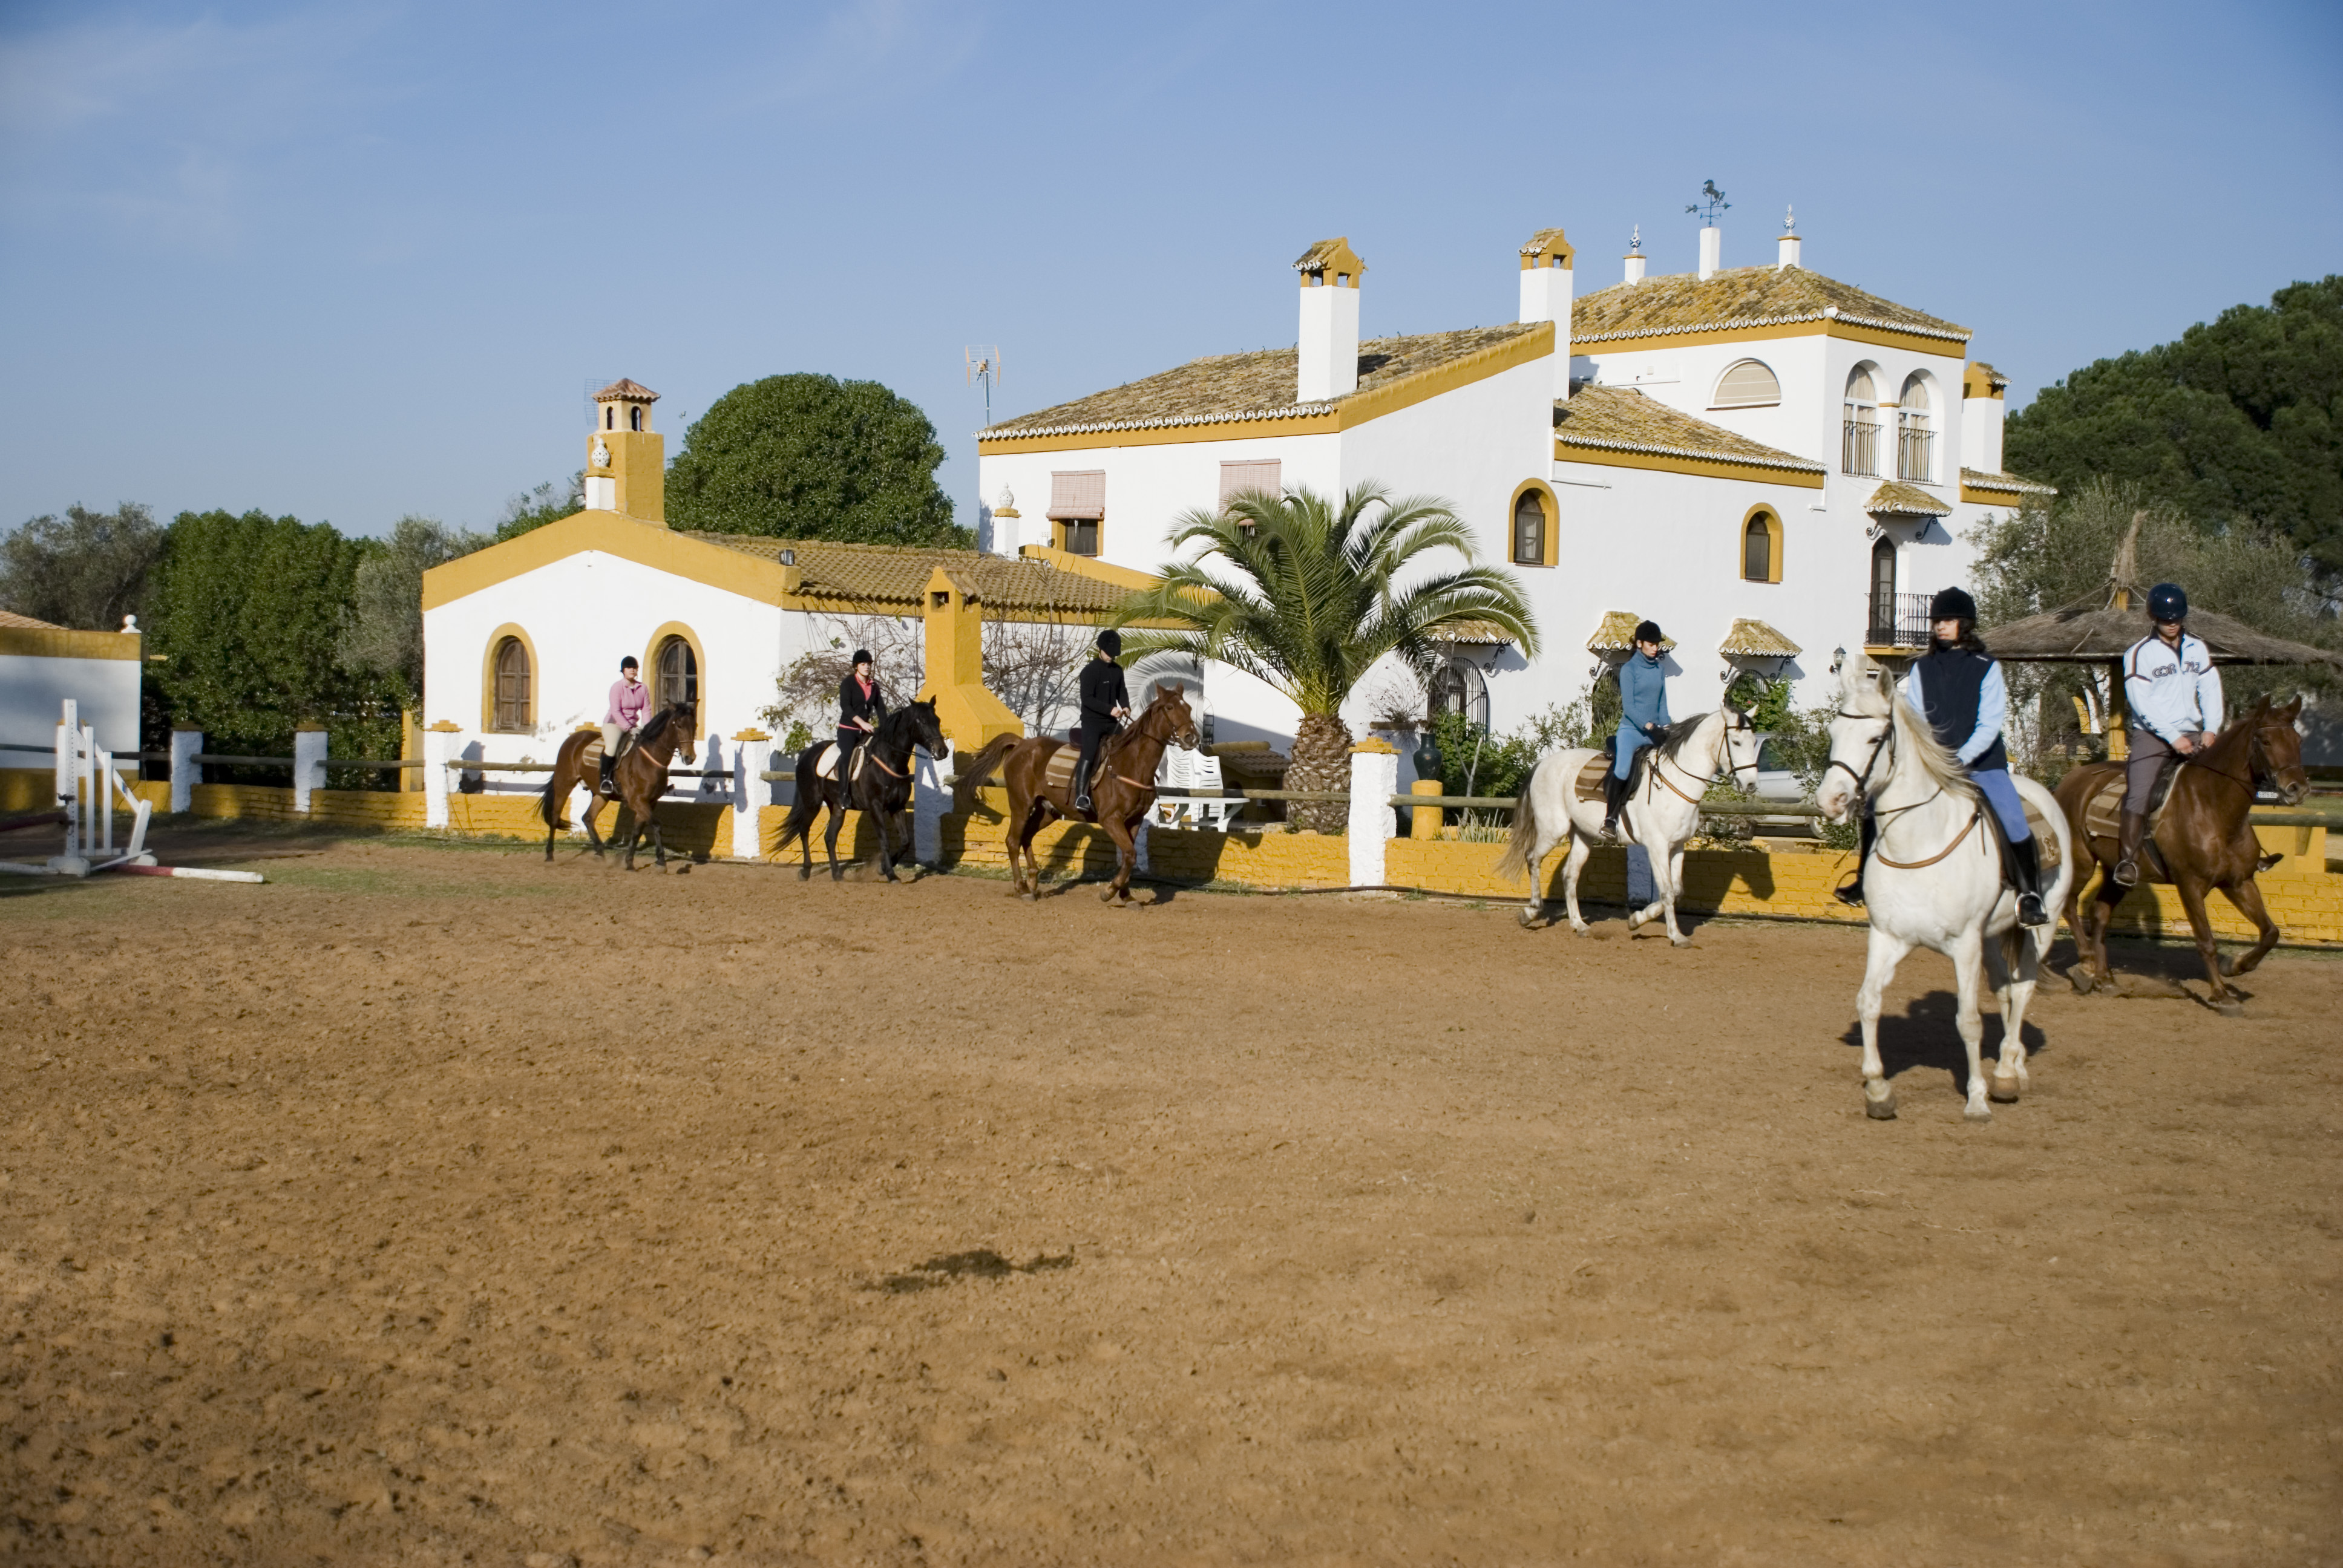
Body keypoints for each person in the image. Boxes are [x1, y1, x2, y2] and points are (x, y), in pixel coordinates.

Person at [2115, 582, 2223, 886]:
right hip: (2153, 735)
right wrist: (2174, 738)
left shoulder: (2197, 648)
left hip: (2195, 730)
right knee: (2139, 793)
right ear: (2153, 617)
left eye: (2176, 617)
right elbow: (2141, 702)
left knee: (2229, 781)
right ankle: (2128, 861)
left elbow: (2210, 688)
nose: (2172, 623)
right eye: (2165, 618)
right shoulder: (2139, 653)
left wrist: (2212, 728)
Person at [1603, 621, 1671, 842]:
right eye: (1651, 644)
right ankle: (1610, 820)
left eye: (1657, 644)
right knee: (1622, 770)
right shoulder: (1629, 670)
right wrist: (1651, 727)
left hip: (1655, 732)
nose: (1655, 648)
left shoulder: (1659, 670)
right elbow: (1630, 708)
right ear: (1640, 643)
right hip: (1631, 731)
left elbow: (1662, 704)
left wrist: (1667, 727)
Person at [1073, 629, 1132, 813]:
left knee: (1129, 745)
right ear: (1100, 649)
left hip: (1112, 722)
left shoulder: (1118, 671)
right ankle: (1080, 796)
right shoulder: (1089, 672)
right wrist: (1110, 709)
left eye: (1114, 654)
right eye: (1109, 653)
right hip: (1092, 722)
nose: (1111, 657)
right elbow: (1087, 699)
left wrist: (1125, 706)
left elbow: (1122, 691)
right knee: (1089, 753)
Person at [600, 655, 649, 795]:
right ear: (623, 671)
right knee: (612, 747)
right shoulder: (617, 688)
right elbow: (616, 711)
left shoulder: (643, 688)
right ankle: (605, 780)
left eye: (634, 668)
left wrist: (647, 729)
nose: (632, 670)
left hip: (633, 725)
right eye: (629, 668)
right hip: (614, 724)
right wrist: (629, 728)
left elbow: (646, 710)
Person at [836, 650, 886, 781]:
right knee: (847, 756)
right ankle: (843, 794)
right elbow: (846, 707)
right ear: (856, 666)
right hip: (848, 730)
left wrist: (886, 728)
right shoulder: (848, 683)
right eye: (863, 664)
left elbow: (880, 708)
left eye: (868, 664)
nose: (866, 667)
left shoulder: (874, 686)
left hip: (865, 732)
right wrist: (862, 723)